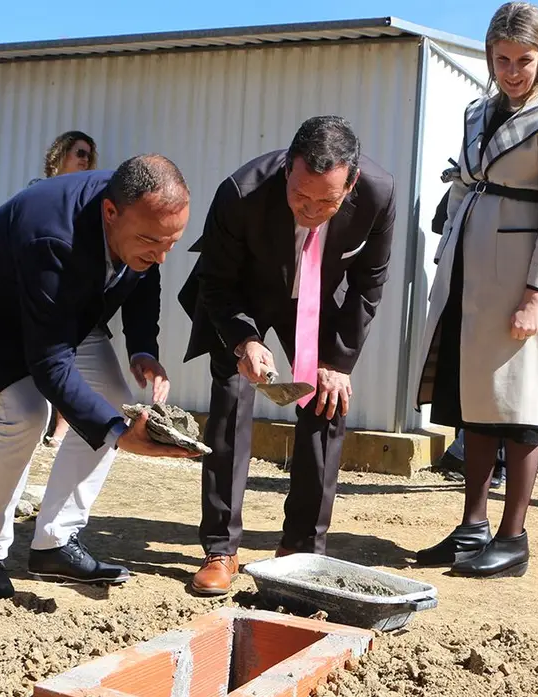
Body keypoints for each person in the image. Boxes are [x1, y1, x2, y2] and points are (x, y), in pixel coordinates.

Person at [0, 154, 196, 601]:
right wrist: (120, 435)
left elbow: (144, 272)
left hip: (62, 310)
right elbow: (49, 362)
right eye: (150, 240)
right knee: (24, 414)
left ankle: (54, 544)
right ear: (110, 212)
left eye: (170, 242)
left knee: (113, 400)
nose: (160, 253)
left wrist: (143, 349)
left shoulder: (144, 215)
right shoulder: (51, 234)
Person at [178, 115, 396, 595]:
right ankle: (220, 548)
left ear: (352, 182)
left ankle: (301, 550)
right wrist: (243, 340)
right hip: (242, 298)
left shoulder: (379, 193)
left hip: (317, 300)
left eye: (327, 200)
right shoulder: (241, 191)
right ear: (286, 172)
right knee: (231, 401)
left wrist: (338, 363)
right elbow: (216, 281)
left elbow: (368, 286)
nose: (312, 209)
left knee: (328, 400)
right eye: (300, 196)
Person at [413, 2, 538, 578]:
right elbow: (463, 184)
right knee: (474, 403)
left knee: (518, 404)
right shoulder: (477, 113)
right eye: (502, 59)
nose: (512, 71)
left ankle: (514, 539)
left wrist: (536, 294)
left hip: (517, 278)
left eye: (524, 60)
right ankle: (472, 527)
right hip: (467, 268)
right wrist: (446, 253)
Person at [31, 130, 99, 448]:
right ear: (61, 155)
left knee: (66, 360)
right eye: (80, 153)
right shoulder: (36, 191)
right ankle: (31, 422)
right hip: (37, 285)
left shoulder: (93, 196)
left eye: (88, 155)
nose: (86, 160)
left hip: (73, 288)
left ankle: (63, 425)